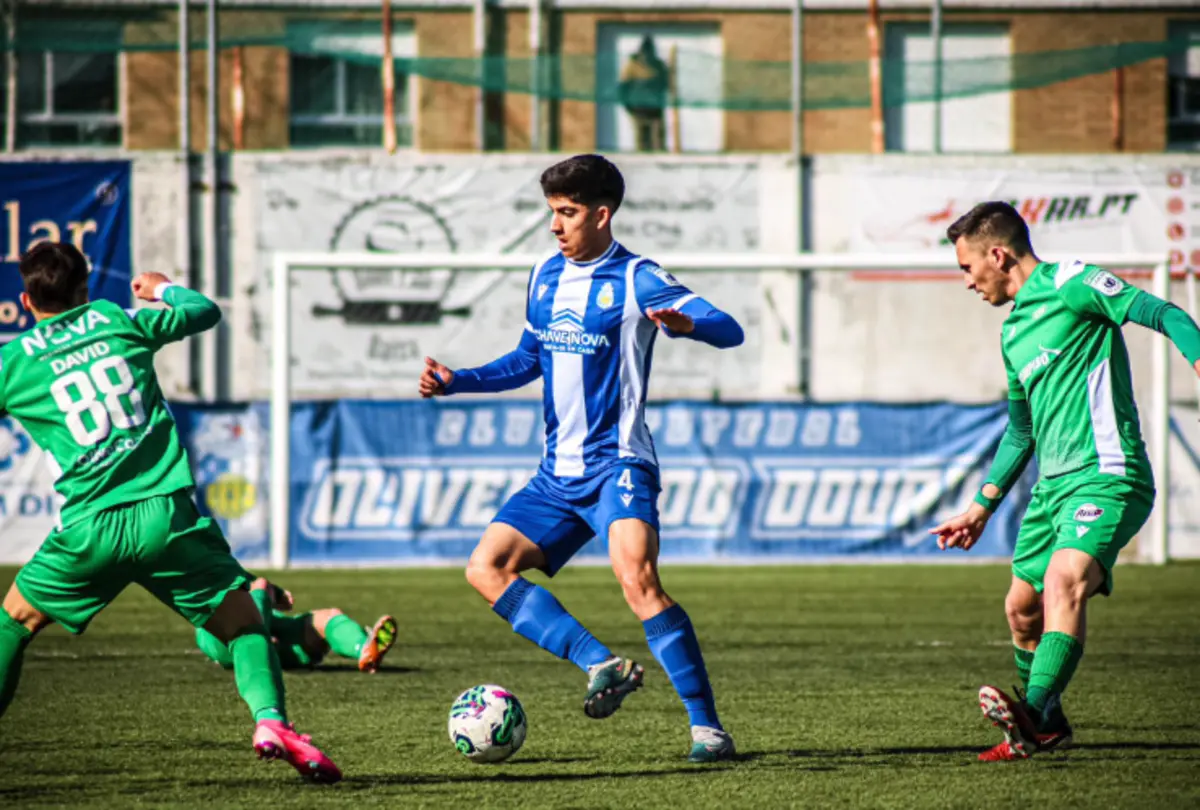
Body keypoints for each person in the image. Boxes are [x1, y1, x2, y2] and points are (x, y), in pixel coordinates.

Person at [419, 154, 744, 763]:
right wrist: (457, 380)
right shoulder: (545, 275)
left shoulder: (638, 277)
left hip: (619, 465)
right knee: (485, 569)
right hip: (555, 475)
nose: (555, 226)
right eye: (551, 213)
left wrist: (684, 324)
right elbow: (525, 360)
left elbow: (730, 329)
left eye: (567, 214)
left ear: (602, 213)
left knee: (637, 579)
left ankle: (708, 730)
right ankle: (602, 663)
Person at [0, 242, 340, 783]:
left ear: (25, 300)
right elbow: (204, 310)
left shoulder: (11, 362)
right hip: (166, 517)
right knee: (245, 626)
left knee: (13, 622)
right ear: (86, 290)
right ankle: (273, 722)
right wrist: (159, 289)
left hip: (90, 527)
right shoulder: (116, 320)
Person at [931, 201, 1200, 761]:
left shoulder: (1074, 283)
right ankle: (1048, 724)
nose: (967, 282)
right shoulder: (1012, 336)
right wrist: (981, 506)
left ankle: (1027, 716)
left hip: (1106, 474)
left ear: (998, 254)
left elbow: (1166, 314)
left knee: (1065, 580)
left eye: (966, 268)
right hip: (1049, 491)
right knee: (1022, 610)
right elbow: (1019, 430)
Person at [194, 576, 397, 674]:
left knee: (328, 617)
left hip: (228, 639)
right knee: (261, 587)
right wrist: (274, 592)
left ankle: (366, 651)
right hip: (237, 637)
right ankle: (361, 647)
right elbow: (260, 585)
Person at [618, 35, 670, 152]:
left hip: (655, 107)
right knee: (642, 137)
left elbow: (665, 84)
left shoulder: (658, 66)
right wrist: (627, 104)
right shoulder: (632, 65)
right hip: (638, 106)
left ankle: (660, 160)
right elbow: (623, 86)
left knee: (657, 137)